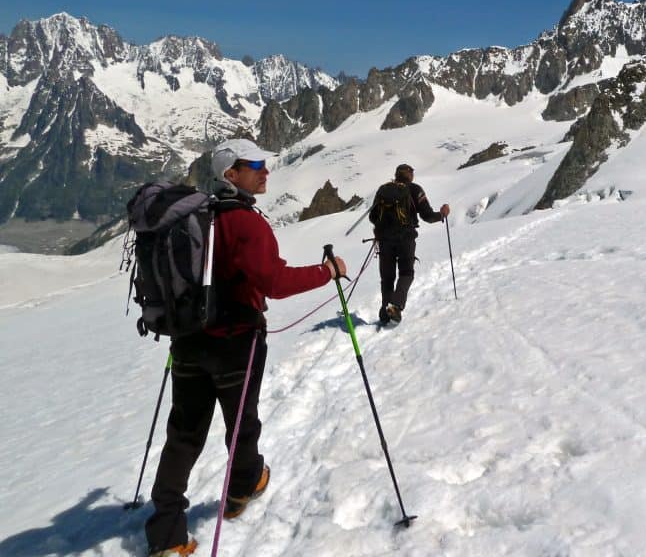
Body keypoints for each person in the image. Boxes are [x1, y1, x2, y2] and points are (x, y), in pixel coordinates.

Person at [145, 138, 347, 557]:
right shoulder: (246, 223)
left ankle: (166, 534)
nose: (264, 170)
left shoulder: (196, 219)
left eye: (263, 163)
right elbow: (274, 282)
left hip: (187, 341)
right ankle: (241, 488)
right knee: (241, 424)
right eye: (253, 164)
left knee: (183, 436)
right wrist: (326, 272)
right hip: (236, 343)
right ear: (229, 174)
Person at [369, 163, 450, 324]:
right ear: (410, 175)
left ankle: (386, 311)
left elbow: (373, 216)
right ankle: (395, 306)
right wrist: (442, 214)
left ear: (396, 174)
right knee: (406, 273)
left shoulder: (383, 190)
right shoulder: (415, 189)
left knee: (387, 278)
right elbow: (427, 215)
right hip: (406, 238)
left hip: (385, 240)